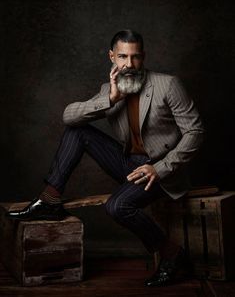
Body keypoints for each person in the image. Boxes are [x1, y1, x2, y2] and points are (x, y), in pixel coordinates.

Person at [7, 30, 204, 286]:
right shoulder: (109, 89)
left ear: (143, 57)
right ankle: (49, 199)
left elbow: (196, 131)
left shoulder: (167, 84)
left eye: (135, 57)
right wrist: (111, 98)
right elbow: (69, 117)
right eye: (122, 56)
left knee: (117, 206)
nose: (129, 65)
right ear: (112, 56)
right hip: (128, 165)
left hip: (160, 172)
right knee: (77, 130)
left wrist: (160, 167)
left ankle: (172, 254)